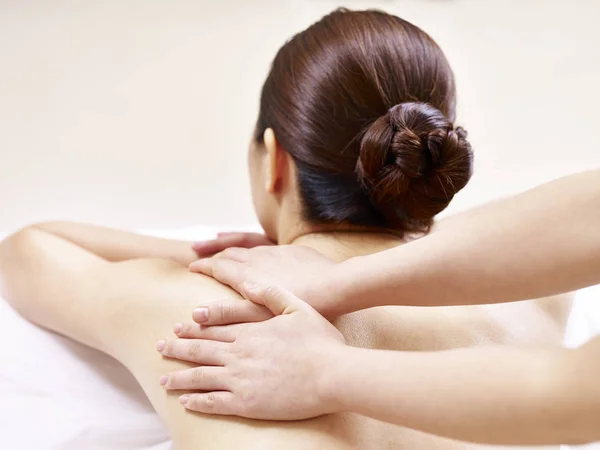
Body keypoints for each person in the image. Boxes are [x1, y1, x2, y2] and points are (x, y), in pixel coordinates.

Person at [0, 8, 570, 450]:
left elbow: (29, 249)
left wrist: (202, 254)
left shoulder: (210, 309)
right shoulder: (537, 299)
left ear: (275, 159)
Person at [162, 169, 600, 446]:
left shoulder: (195, 302)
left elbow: (573, 394)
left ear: (275, 159)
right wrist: (335, 279)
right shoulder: (540, 304)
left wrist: (325, 371)